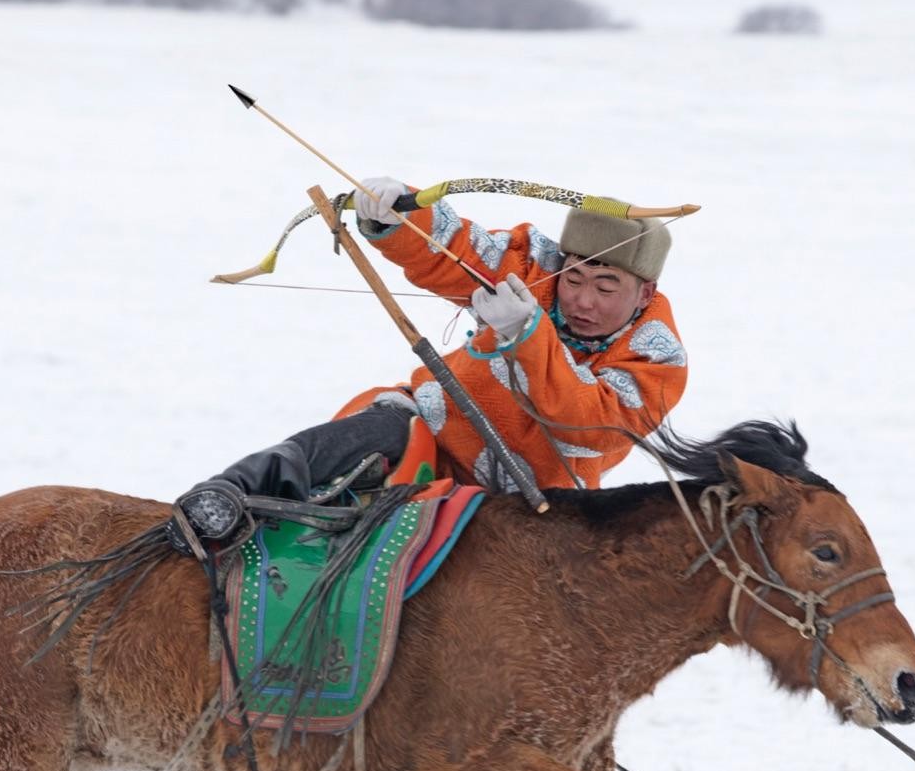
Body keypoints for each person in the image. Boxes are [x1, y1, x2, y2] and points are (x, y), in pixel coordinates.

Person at [169, 176, 688, 553]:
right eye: (575, 279)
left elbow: (588, 423)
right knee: (367, 432)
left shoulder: (658, 357)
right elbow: (460, 249)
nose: (583, 301)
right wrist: (397, 216)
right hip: (434, 427)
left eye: (606, 288)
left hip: (529, 492)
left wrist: (526, 336)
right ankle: (226, 495)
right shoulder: (533, 267)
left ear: (645, 292)